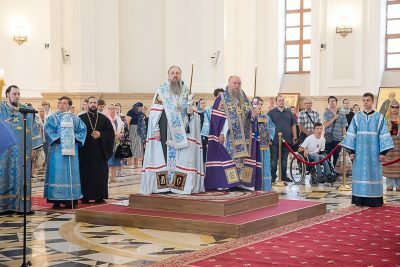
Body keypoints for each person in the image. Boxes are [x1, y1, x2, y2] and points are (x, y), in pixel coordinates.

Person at [140, 66, 204, 195]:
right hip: (165, 129)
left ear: (181, 75)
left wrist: (191, 112)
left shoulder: (186, 91)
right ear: (168, 75)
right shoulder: (162, 91)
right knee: (163, 155)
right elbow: (154, 112)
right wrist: (156, 129)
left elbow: (192, 113)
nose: (175, 75)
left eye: (177, 73)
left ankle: (178, 185)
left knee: (182, 157)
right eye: (172, 73)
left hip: (182, 133)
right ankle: (163, 186)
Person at [205, 76, 261, 190]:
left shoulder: (244, 98)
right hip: (228, 136)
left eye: (239, 83)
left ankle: (240, 183)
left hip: (244, 137)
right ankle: (228, 183)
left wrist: (253, 116)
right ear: (229, 84)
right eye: (234, 83)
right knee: (229, 158)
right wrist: (220, 133)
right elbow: (218, 119)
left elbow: (248, 117)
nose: (237, 85)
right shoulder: (222, 98)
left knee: (242, 160)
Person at [342, 93, 394, 207]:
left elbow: (384, 135)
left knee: (373, 174)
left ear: (373, 102)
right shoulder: (357, 116)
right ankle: (359, 199)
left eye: (368, 100)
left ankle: (374, 200)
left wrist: (383, 152)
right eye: (364, 100)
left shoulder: (379, 117)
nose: (366, 102)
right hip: (359, 153)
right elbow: (351, 135)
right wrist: (351, 152)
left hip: (374, 153)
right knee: (359, 175)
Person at [0, 85, 43, 214]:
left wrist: (35, 147)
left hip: (22, 152)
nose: (17, 96)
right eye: (14, 94)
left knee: (22, 177)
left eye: (19, 94)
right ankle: (3, 206)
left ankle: (21, 207)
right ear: (7, 94)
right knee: (3, 177)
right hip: (4, 152)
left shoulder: (26, 110)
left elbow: (34, 127)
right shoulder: (1, 109)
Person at [44, 96, 87, 209]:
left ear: (69, 106)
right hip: (57, 151)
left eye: (64, 103)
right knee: (56, 173)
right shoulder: (53, 118)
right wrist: (59, 138)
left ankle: (71, 198)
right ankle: (56, 199)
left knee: (71, 173)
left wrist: (73, 138)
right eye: (60, 103)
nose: (61, 105)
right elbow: (48, 130)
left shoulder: (75, 119)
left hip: (72, 153)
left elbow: (82, 130)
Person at [78, 96, 115, 203]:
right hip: (85, 152)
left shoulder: (104, 119)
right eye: (91, 102)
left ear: (97, 104)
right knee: (86, 174)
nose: (93, 104)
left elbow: (111, 133)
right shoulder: (81, 118)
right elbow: (77, 133)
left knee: (100, 174)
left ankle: (100, 196)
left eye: (95, 102)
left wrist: (101, 134)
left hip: (100, 152)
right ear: (87, 104)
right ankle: (85, 196)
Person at [268, 95, 298, 183]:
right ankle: (273, 176)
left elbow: (293, 125)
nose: (281, 102)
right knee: (274, 159)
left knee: (284, 159)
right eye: (279, 100)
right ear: (276, 102)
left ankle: (284, 176)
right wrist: (269, 138)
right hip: (274, 140)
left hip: (287, 140)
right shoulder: (271, 113)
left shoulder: (289, 113)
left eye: (282, 100)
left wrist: (295, 137)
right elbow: (268, 126)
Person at [253, 97, 275, 190]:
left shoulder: (266, 117)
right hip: (253, 145)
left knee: (264, 164)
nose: (260, 106)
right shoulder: (250, 116)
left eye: (261, 104)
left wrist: (270, 137)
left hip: (264, 144)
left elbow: (272, 127)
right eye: (258, 104)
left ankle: (265, 187)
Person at [323, 96, 348, 168]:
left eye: (333, 101)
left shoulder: (342, 114)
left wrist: (344, 137)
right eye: (330, 101)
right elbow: (326, 125)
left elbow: (344, 127)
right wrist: (334, 118)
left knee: (336, 156)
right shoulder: (326, 113)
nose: (332, 102)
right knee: (327, 156)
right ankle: (328, 171)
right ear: (328, 103)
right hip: (328, 138)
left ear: (336, 103)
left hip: (338, 139)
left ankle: (335, 171)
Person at [382, 100, 400, 192]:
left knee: (398, 165)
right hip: (389, 143)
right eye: (392, 107)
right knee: (390, 164)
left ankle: (398, 185)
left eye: (396, 107)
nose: (394, 109)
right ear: (390, 108)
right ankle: (389, 184)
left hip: (399, 143)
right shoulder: (385, 119)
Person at [107, 104, 125, 181]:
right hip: (108, 142)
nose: (112, 110)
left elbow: (122, 129)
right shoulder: (105, 119)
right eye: (110, 108)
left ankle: (113, 177)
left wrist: (120, 134)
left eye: (113, 108)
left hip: (117, 142)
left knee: (115, 160)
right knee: (108, 160)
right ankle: (106, 176)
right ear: (107, 109)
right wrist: (113, 134)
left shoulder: (118, 119)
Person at [126, 102, 147, 167]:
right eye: (139, 107)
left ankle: (136, 165)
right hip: (132, 130)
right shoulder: (130, 112)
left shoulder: (141, 113)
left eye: (141, 107)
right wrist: (127, 132)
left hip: (139, 131)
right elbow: (127, 122)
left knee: (138, 147)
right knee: (131, 147)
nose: (140, 108)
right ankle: (129, 165)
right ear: (136, 107)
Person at [197, 98, 209, 162]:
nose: (203, 104)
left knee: (205, 154)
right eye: (201, 103)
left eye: (204, 103)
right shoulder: (196, 114)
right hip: (198, 136)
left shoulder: (207, 113)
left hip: (206, 136)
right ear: (198, 104)